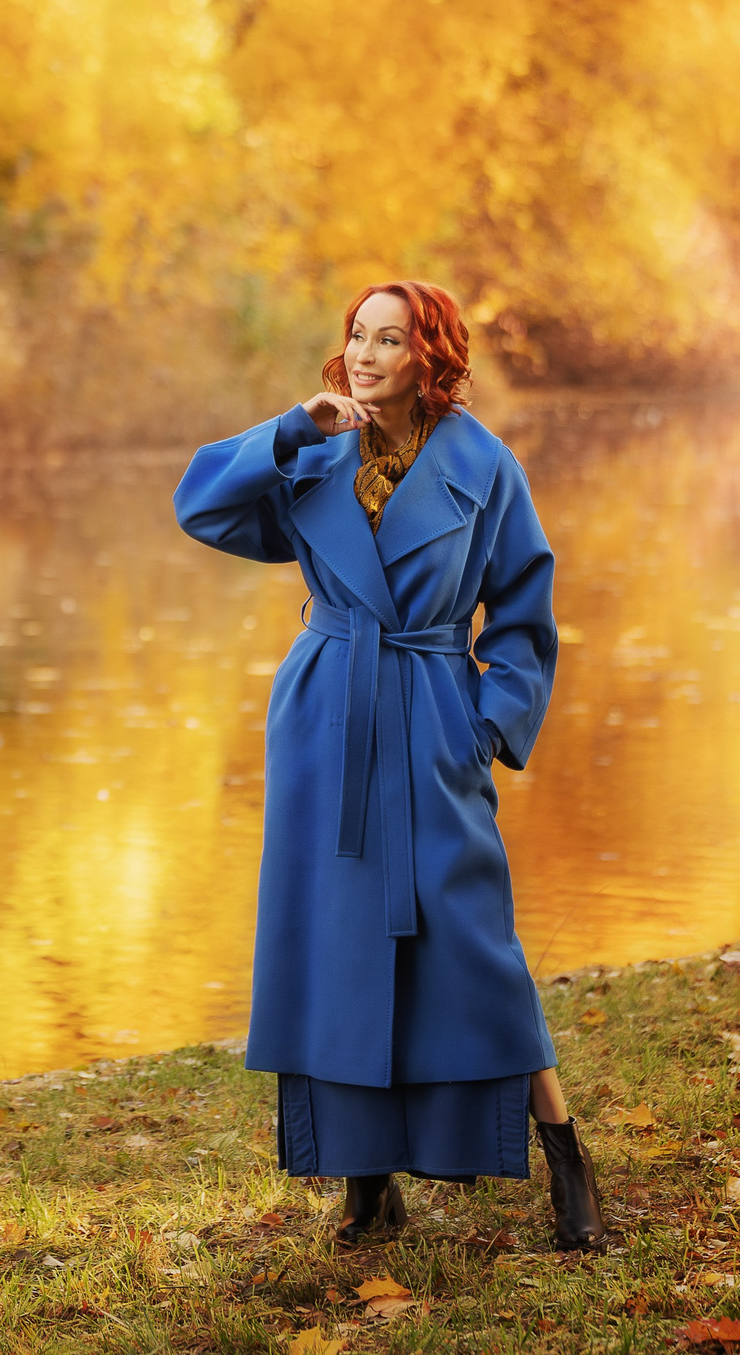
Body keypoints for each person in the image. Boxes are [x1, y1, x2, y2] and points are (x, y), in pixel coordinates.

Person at [172, 280, 606, 1250]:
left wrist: (486, 726)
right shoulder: (311, 452)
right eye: (356, 337)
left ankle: (565, 1152)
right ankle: (366, 1184)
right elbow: (199, 505)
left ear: (431, 355)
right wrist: (289, 428)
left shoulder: (484, 466)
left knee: (475, 946)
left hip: (432, 712)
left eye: (390, 340)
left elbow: (526, 615)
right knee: (338, 949)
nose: (366, 356)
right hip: (327, 718)